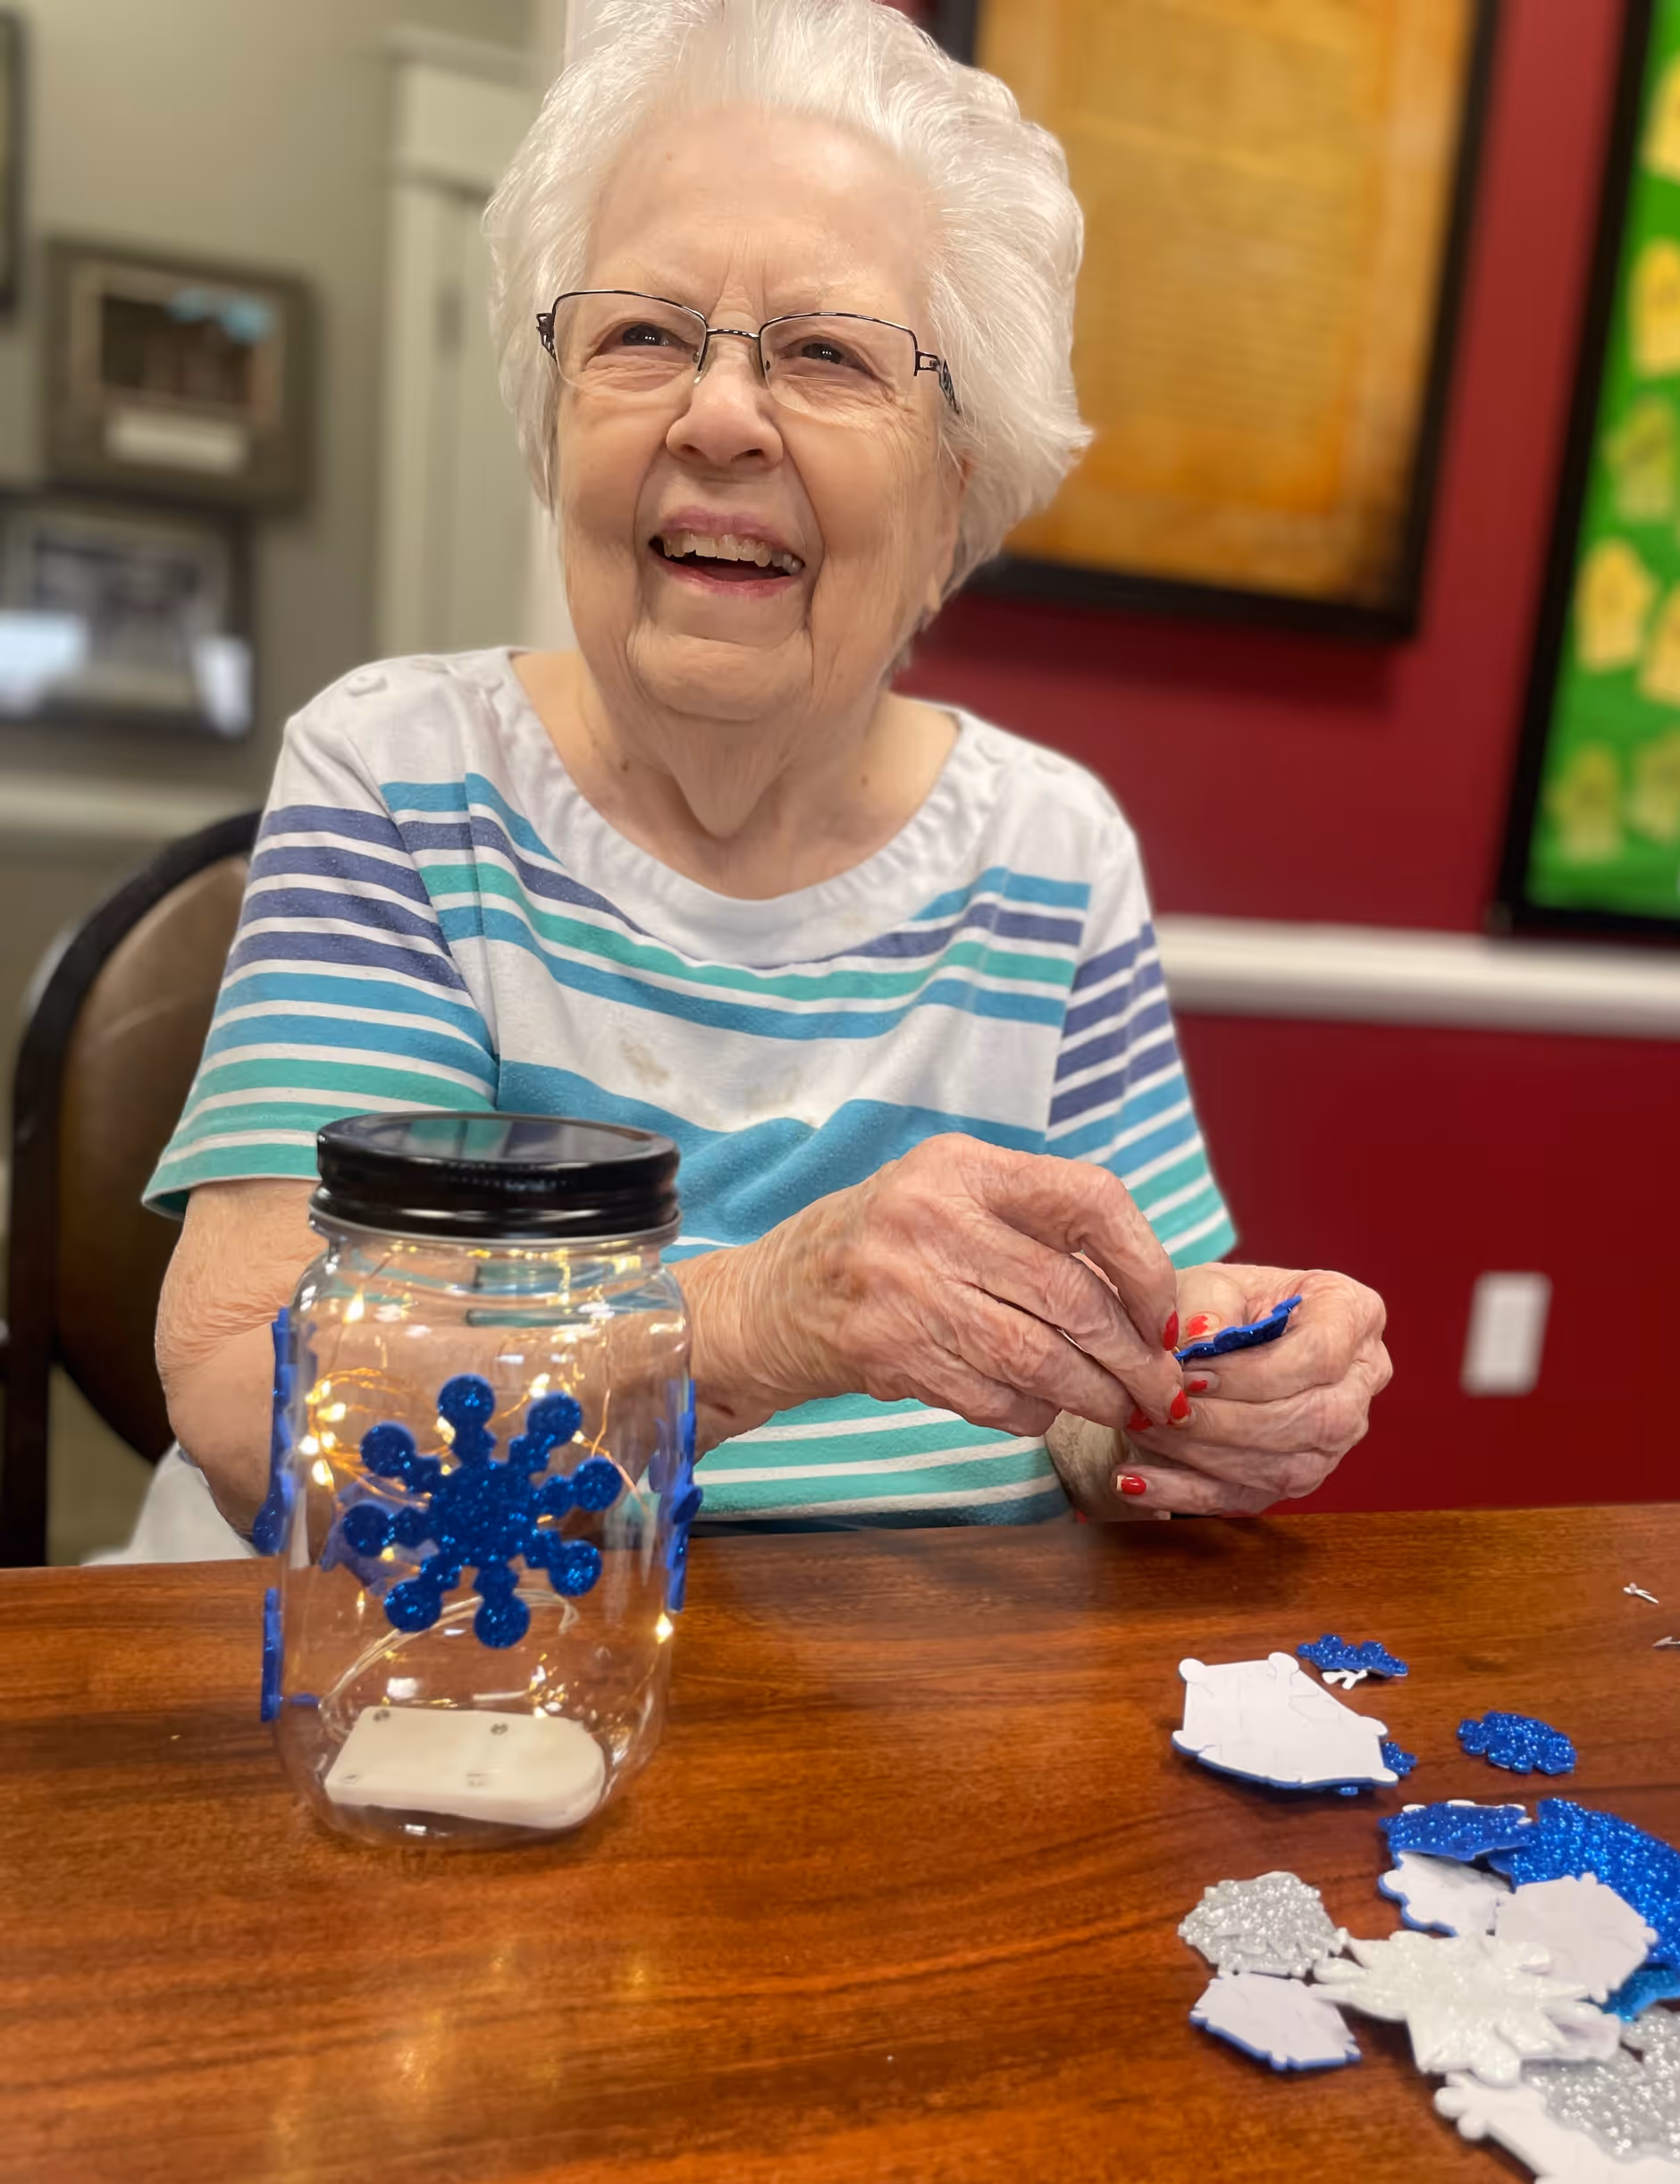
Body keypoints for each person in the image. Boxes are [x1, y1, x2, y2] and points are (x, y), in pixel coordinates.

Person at [147, 0, 1389, 1553]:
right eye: (643, 336)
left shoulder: (1051, 850)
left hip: (915, 1713)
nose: (719, 414)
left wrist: (1206, 1389)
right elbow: (257, 1397)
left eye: (823, 353)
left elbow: (1099, 1405)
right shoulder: (400, 776)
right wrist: (762, 1319)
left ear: (957, 484)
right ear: (557, 422)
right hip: (446, 1677)